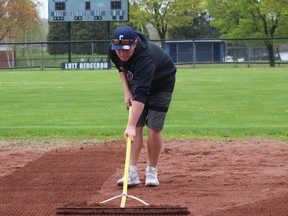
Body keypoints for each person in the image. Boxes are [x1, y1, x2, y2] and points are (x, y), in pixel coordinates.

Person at [108, 25, 176, 187]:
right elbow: (121, 69)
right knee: (136, 128)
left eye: (126, 50)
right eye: (119, 50)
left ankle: (151, 171)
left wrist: (130, 125)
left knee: (154, 127)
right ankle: (131, 173)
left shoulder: (146, 57)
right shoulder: (114, 50)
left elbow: (142, 92)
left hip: (161, 85)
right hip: (137, 85)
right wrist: (126, 92)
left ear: (135, 44)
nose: (122, 54)